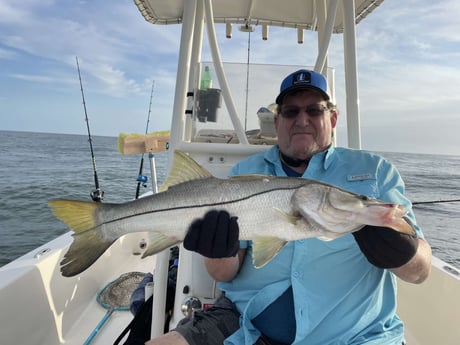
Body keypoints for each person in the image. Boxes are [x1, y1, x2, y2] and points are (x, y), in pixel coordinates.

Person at [146, 69, 432, 345]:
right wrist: (219, 252)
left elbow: (420, 272)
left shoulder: (375, 170)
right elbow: (223, 273)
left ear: (332, 119)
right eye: (291, 111)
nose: (302, 120)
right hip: (245, 324)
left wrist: (400, 253)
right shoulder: (247, 172)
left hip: (356, 335)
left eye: (314, 110)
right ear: (278, 120)